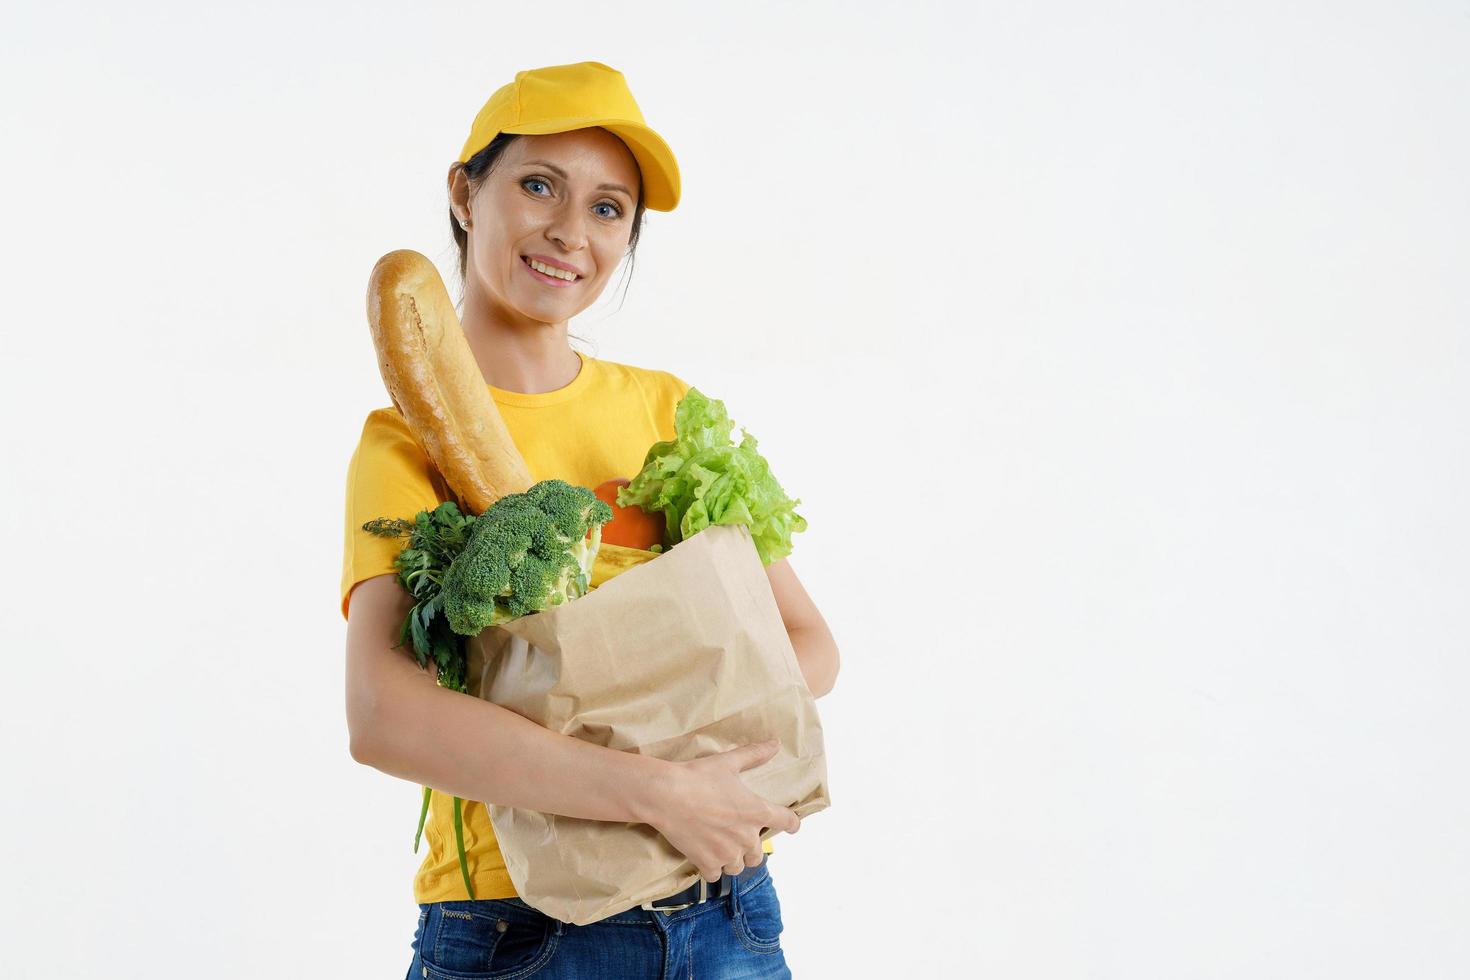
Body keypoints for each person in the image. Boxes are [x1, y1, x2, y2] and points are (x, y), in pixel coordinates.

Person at [340, 62, 841, 979]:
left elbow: (807, 646)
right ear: (463, 193)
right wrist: (658, 790)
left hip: (728, 910)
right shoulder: (405, 444)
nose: (572, 233)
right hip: (521, 932)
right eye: (539, 186)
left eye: (610, 209)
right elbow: (383, 718)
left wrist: (698, 783)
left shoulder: (664, 415)